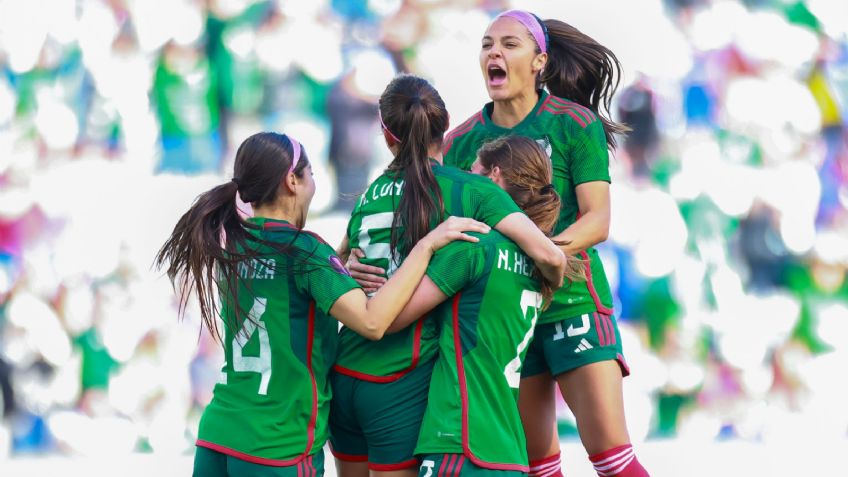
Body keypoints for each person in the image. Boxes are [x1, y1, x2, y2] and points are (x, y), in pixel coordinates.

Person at [154, 132, 488, 477]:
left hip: (219, 435)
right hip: (277, 446)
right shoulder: (304, 250)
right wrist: (427, 246)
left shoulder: (235, 246)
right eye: (310, 174)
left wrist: (340, 269)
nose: (313, 183)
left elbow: (283, 292)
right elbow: (373, 323)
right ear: (292, 181)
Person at [443, 10, 650, 477]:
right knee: (537, 468)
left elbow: (597, 221)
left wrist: (535, 252)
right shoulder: (460, 142)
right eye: (486, 43)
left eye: (509, 44)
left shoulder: (574, 123)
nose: (494, 52)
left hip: (572, 300)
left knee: (613, 460)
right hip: (509, 315)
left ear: (539, 61)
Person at [332, 74, 566, 477]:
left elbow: (337, 266)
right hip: (399, 378)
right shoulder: (470, 190)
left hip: (346, 372)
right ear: (446, 127)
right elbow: (549, 254)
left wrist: (351, 272)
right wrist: (546, 280)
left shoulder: (369, 194)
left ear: (386, 134)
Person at [385, 135, 586, 477]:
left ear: (493, 177)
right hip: (509, 452)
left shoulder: (473, 248)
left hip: (457, 440)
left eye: (472, 171)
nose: (466, 179)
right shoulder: (539, 267)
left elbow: (388, 320)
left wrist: (424, 247)